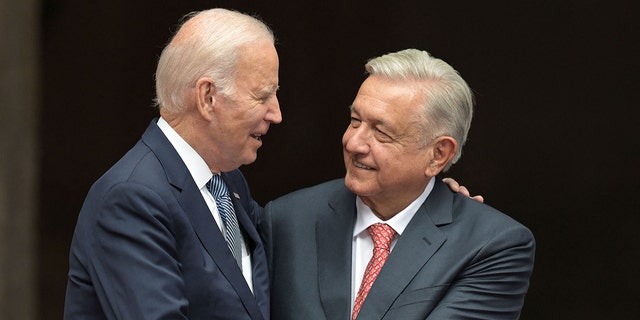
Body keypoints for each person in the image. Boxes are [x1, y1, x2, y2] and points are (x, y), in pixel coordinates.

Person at [263, 49, 535, 319]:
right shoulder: (287, 220)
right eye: (355, 121)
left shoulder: (491, 246)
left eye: (381, 133)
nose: (353, 143)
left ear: (438, 154)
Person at [64, 9, 280, 319]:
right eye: (262, 96)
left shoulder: (229, 183)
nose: (276, 113)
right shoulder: (130, 198)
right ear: (207, 97)